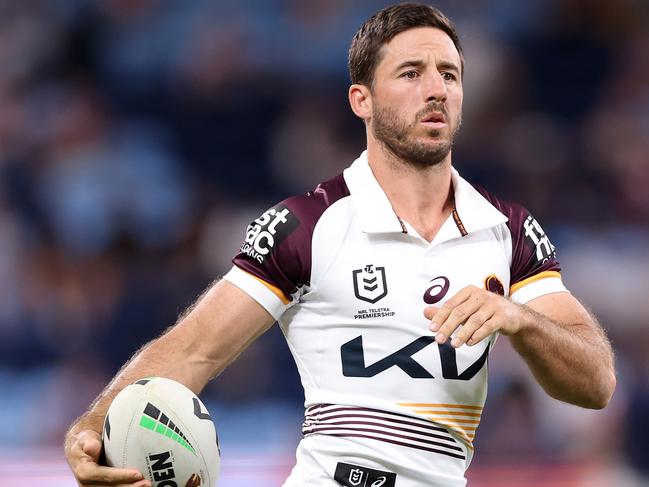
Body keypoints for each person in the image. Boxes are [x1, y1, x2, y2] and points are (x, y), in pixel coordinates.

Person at [64, 3, 616, 486]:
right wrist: (92, 427)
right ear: (362, 100)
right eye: (410, 73)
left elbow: (596, 383)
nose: (435, 89)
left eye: (450, 74)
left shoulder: (508, 230)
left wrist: (519, 318)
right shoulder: (309, 225)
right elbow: (192, 350)